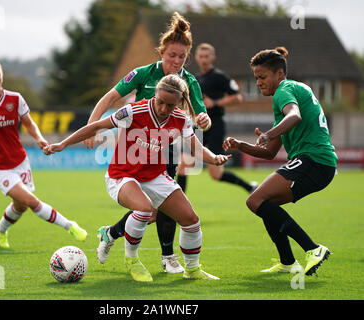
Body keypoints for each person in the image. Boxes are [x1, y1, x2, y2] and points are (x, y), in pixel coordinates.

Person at [45, 74, 231, 281]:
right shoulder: (134, 111)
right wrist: (63, 144)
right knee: (144, 209)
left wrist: (214, 158)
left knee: (191, 220)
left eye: (170, 105)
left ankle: (192, 269)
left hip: (155, 176)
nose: (163, 109)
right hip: (122, 175)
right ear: (155, 95)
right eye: (160, 102)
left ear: (178, 102)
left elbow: (195, 147)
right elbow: (96, 127)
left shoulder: (181, 119)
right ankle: (132, 260)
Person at [84, 12, 212, 273]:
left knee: (163, 208)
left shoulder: (189, 82)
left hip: (167, 150)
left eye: (182, 57)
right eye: (171, 55)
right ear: (161, 52)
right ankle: (126, 244)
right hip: (134, 151)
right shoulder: (142, 74)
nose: (176, 61)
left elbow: (200, 117)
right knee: (147, 211)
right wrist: (91, 127)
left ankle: (162, 255)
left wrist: (203, 120)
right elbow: (109, 98)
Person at [0, 54, 87, 249]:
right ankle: (69, 225)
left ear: (2, 77)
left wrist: (39, 138)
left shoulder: (15, 99)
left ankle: (0, 229)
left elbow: (29, 124)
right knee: (30, 201)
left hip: (20, 161)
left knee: (20, 206)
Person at [222, 47, 337, 276]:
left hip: (314, 160)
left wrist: (269, 134)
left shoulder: (285, 90)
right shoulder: (288, 94)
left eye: (262, 77)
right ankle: (288, 262)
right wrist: (241, 146)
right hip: (318, 163)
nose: (258, 83)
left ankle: (313, 249)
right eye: (256, 78)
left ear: (280, 74)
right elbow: (270, 153)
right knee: (265, 203)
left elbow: (295, 116)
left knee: (256, 200)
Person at [176, 43, 257, 193]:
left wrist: (214, 102)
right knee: (183, 164)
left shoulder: (219, 77)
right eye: (201, 56)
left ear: (212, 58)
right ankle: (177, 208)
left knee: (216, 174)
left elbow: (237, 97)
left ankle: (250, 187)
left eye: (207, 56)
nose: (204, 59)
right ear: (196, 58)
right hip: (196, 126)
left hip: (215, 126)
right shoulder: (195, 79)